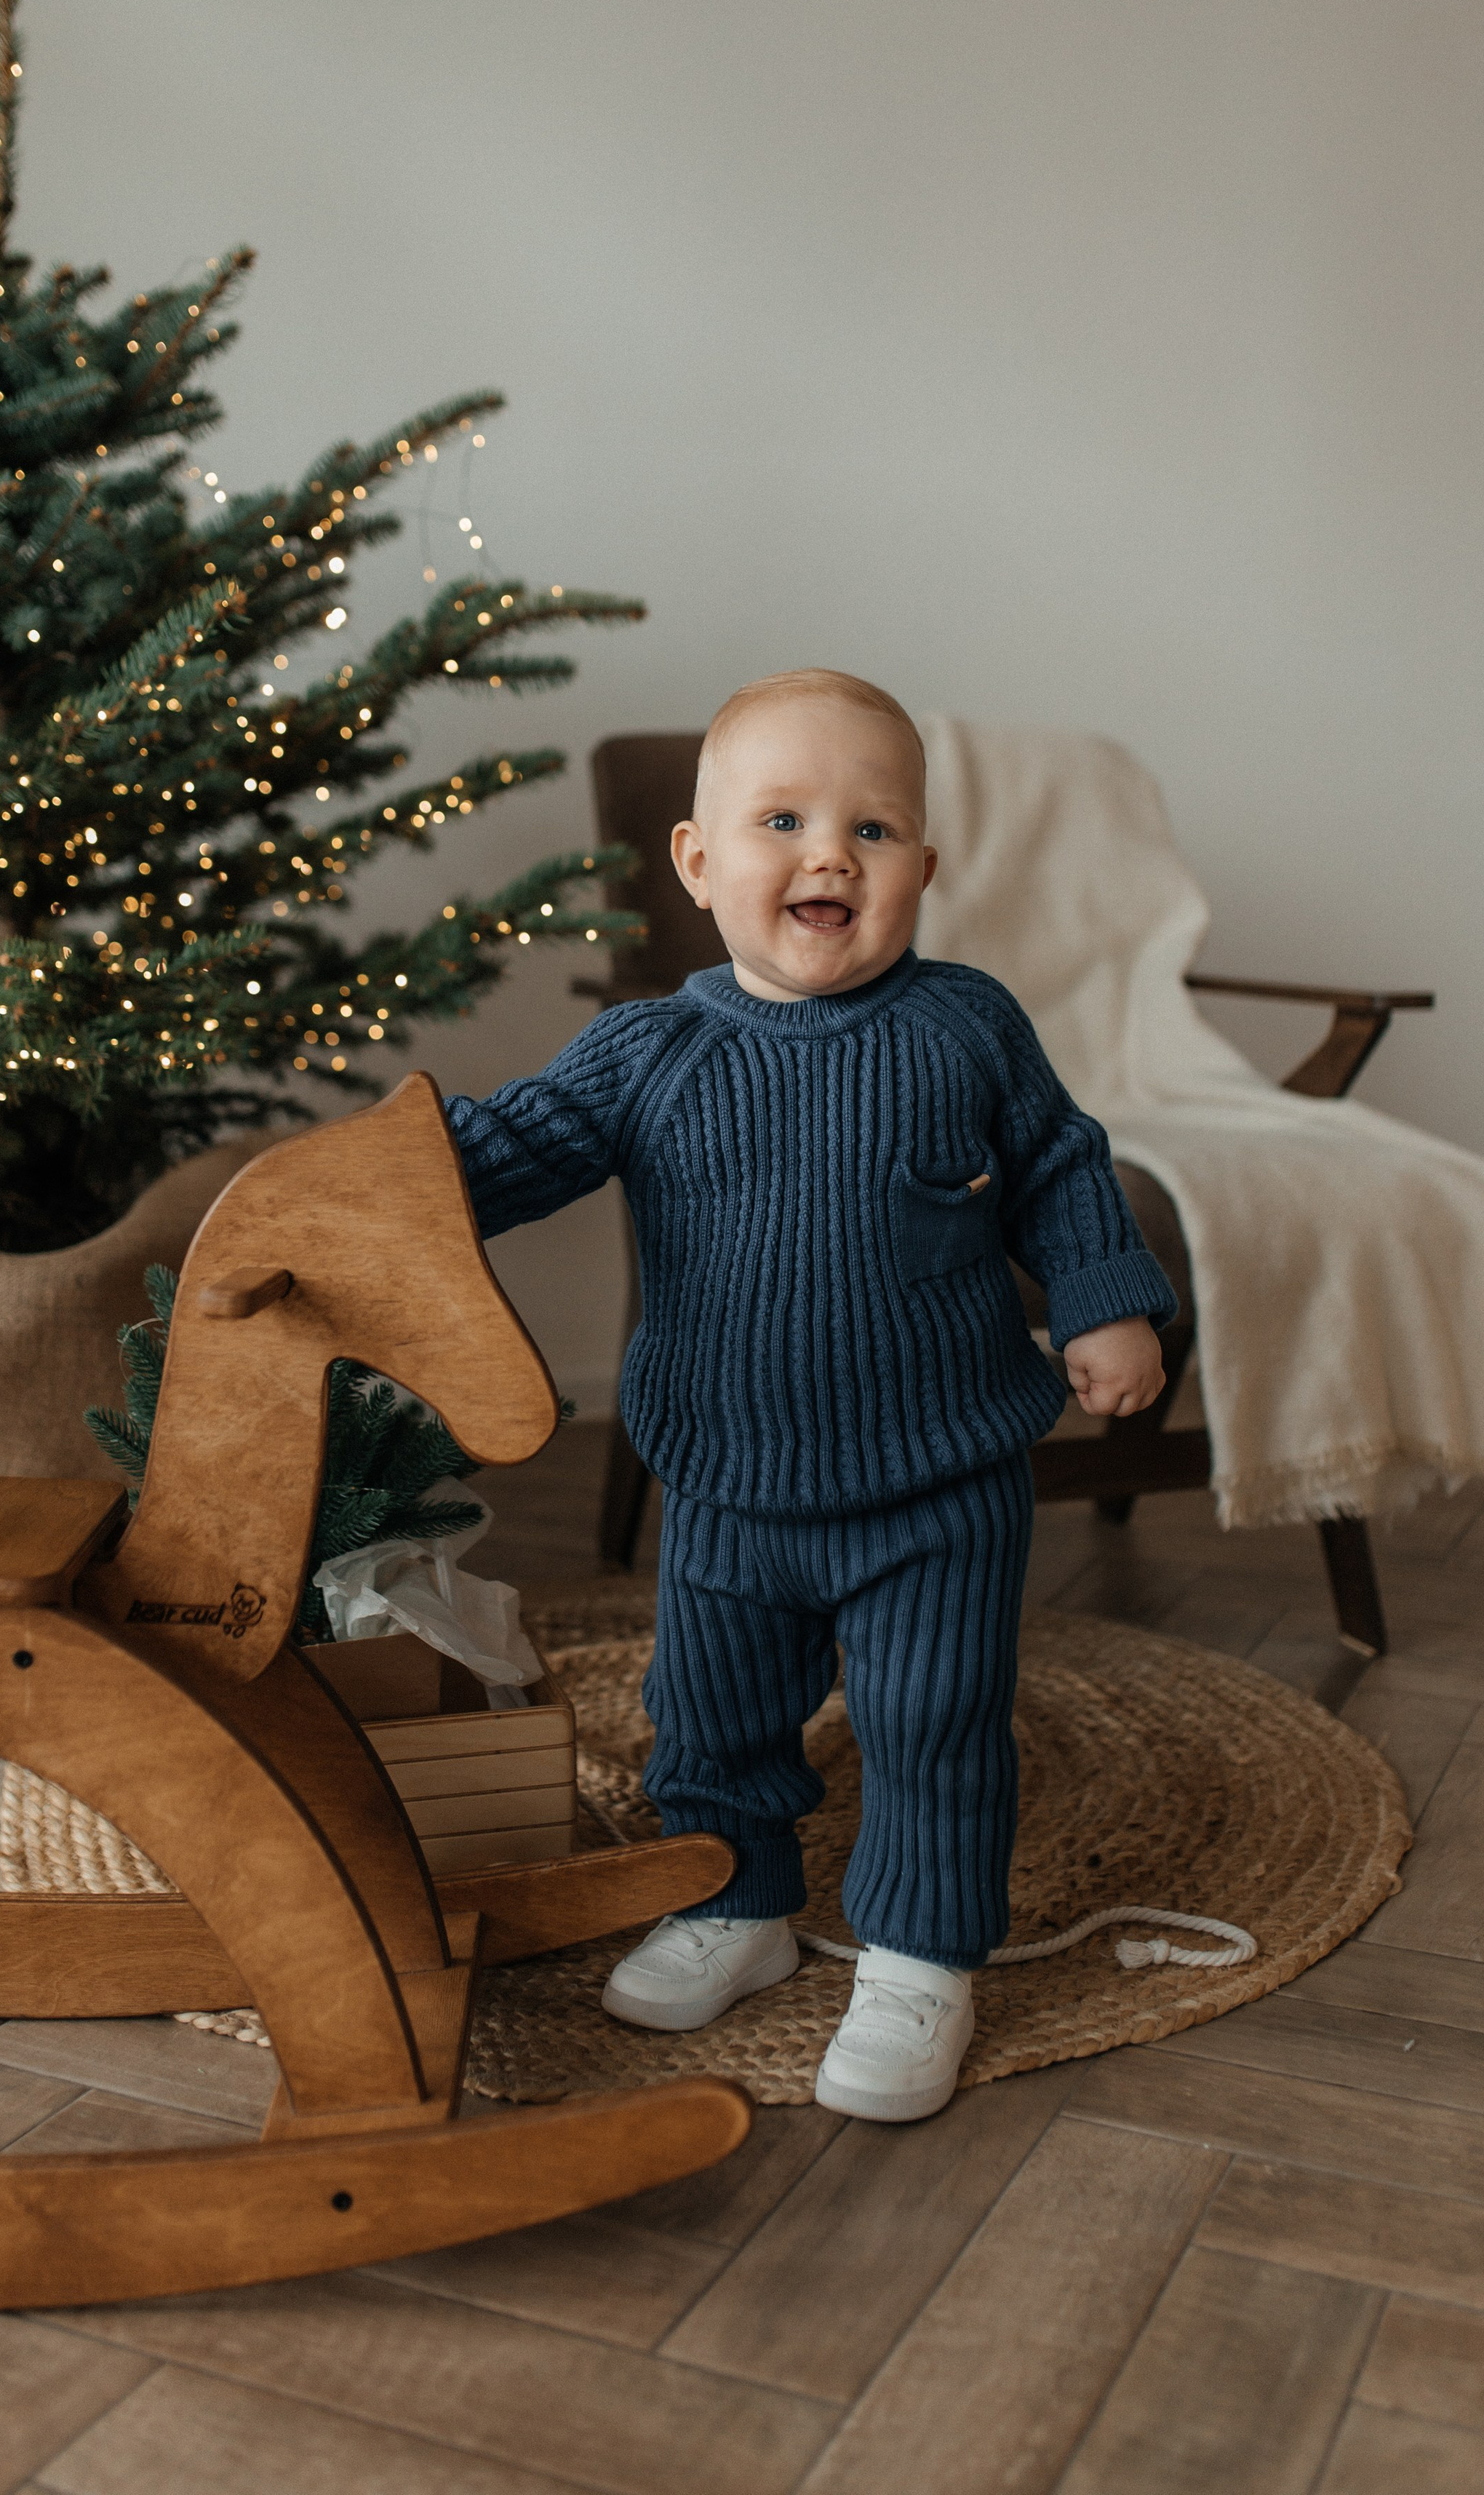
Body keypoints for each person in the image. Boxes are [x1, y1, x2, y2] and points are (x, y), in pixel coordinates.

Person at [444, 669, 1173, 2121]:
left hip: (938, 1482)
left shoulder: (964, 1029)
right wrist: (387, 1180)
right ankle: (737, 1901)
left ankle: (915, 1957)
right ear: (699, 864)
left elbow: (1059, 1167)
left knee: (928, 1719)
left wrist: (1103, 1301)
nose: (828, 854)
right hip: (724, 1478)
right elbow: (506, 1149)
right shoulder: (645, 1053)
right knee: (706, 1712)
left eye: (874, 828)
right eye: (780, 820)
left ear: (922, 869)